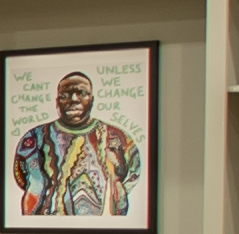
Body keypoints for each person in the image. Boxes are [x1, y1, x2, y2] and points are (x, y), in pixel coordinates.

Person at [12, 70, 142, 220]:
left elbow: (132, 174)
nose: (74, 99)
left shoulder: (118, 137)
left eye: (82, 93)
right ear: (57, 101)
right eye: (65, 95)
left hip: (105, 225)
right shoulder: (35, 137)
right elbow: (23, 178)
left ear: (92, 99)